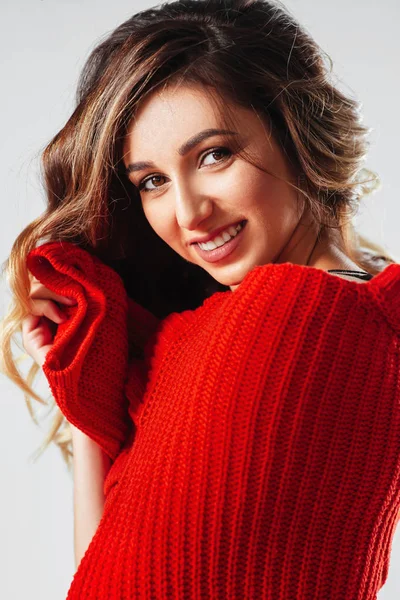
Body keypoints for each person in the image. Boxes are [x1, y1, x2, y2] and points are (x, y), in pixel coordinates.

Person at [1, 0, 399, 598]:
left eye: (214, 155)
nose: (187, 213)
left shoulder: (292, 314)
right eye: (152, 182)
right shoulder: (358, 300)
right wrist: (92, 407)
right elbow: (102, 573)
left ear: (295, 131)